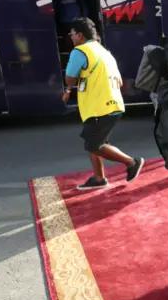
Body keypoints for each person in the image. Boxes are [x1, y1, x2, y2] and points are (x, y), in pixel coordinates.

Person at [62, 18, 144, 190]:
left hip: (98, 107)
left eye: (71, 35)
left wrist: (71, 85)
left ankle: (131, 162)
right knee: (96, 141)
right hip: (112, 105)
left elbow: (70, 77)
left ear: (79, 35)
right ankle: (99, 178)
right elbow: (120, 82)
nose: (70, 38)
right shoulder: (105, 52)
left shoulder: (80, 51)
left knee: (93, 144)